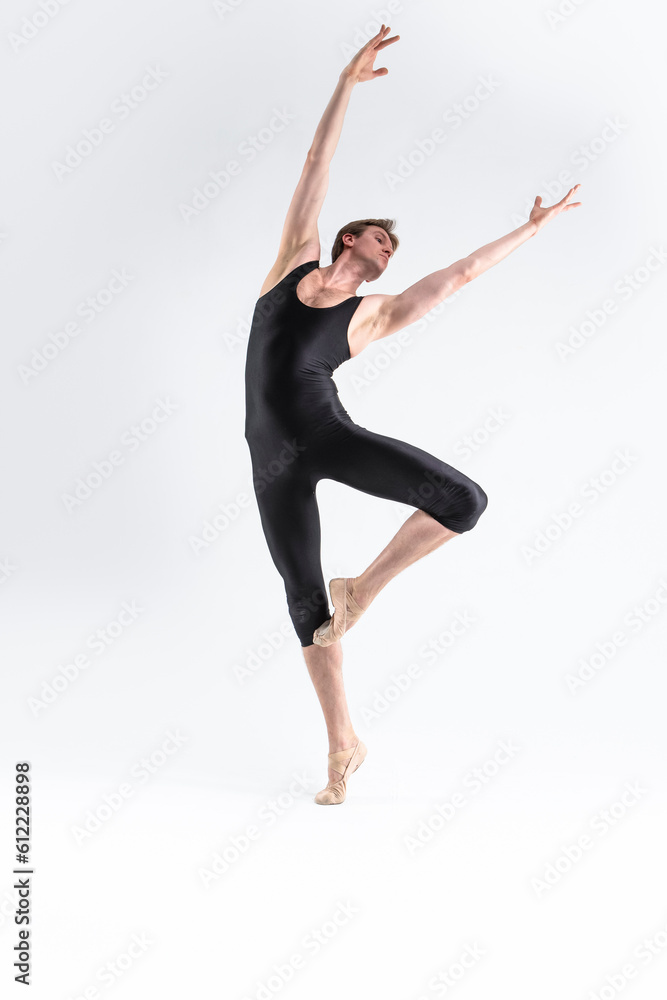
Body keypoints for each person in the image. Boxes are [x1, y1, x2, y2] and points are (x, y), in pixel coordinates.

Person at [243, 25, 582, 805]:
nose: (389, 251)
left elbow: (457, 275)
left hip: (326, 439)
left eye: (394, 249)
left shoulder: (372, 315)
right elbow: (314, 165)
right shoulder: (291, 260)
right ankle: (342, 746)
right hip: (267, 463)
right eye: (380, 239)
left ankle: (364, 587)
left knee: (461, 502)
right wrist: (344, 83)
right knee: (303, 606)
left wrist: (530, 229)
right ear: (347, 237)